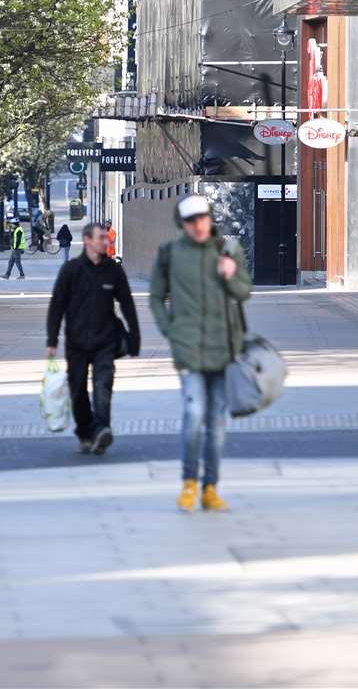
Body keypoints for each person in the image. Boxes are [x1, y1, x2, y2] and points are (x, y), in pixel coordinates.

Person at [150, 194, 252, 512]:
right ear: (181, 225)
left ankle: (210, 487)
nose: (198, 225)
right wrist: (171, 331)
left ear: (210, 218)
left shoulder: (227, 250)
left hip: (224, 348)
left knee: (216, 422)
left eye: (202, 218)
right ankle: (189, 482)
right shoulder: (169, 254)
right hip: (189, 349)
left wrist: (230, 272)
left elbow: (243, 292)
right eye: (191, 221)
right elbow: (156, 297)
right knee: (194, 414)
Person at [46, 222, 140, 455]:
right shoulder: (71, 270)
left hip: (105, 341)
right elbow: (57, 305)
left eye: (106, 238)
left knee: (103, 386)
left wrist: (134, 336)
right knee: (77, 391)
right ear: (87, 240)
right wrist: (52, 340)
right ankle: (86, 433)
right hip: (76, 343)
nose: (105, 241)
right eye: (101, 238)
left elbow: (127, 303)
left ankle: (101, 430)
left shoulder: (113, 271)